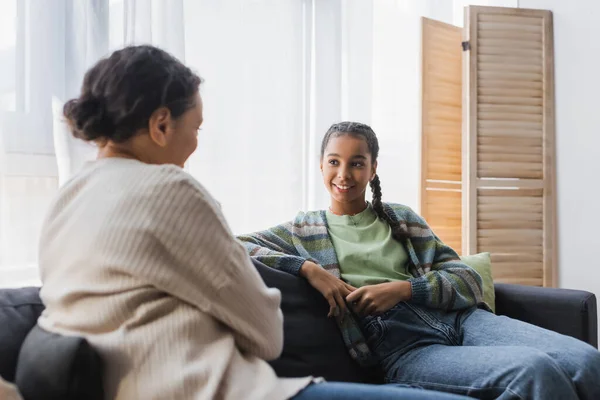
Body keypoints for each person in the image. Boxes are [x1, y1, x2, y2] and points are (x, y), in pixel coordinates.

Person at [36, 46, 469, 400]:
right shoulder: (171, 189)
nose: (194, 146)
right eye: (197, 128)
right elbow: (266, 334)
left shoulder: (68, 197)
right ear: (161, 124)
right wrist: (304, 267)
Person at [238, 121, 600, 400]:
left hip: (462, 320)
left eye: (357, 163)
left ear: (373, 168)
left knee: (588, 361)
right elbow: (234, 244)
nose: (344, 174)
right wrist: (307, 268)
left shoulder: (401, 217)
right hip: (403, 345)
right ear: (321, 166)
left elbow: (466, 278)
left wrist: (405, 289)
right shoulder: (302, 230)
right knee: (533, 371)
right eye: (334, 162)